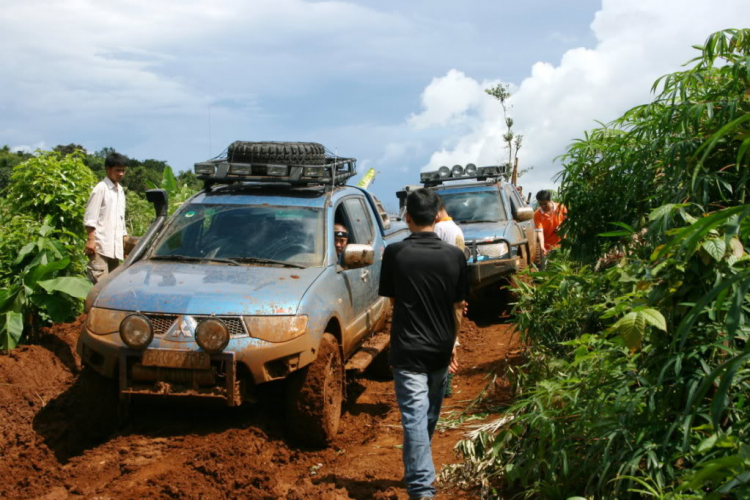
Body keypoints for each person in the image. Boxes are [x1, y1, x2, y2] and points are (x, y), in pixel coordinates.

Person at [379, 188, 468, 500]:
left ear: (407, 217)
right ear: (437, 215)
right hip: (441, 347)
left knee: (418, 417)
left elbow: (393, 301)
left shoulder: (395, 253)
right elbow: (458, 307)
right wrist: (454, 344)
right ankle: (421, 486)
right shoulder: (455, 256)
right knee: (425, 416)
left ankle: (418, 481)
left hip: (407, 348)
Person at [433, 198, 465, 398]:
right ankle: (447, 384)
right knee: (453, 335)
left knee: (444, 338)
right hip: (454, 288)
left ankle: (444, 384)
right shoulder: (456, 229)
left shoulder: (440, 230)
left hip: (442, 289)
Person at [84, 152, 128, 283]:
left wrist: (124, 244)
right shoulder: (101, 189)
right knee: (100, 285)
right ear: (108, 169)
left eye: (123, 171)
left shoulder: (120, 190)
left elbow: (121, 220)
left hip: (115, 248)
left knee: (113, 285)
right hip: (100, 245)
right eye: (118, 170)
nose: (121, 174)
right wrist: (91, 240)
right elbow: (90, 216)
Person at [533, 189, 567, 269]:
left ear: (550, 200)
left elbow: (568, 222)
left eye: (545, 204)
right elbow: (539, 232)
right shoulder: (537, 214)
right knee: (545, 269)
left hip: (561, 245)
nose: (543, 206)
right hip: (547, 247)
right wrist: (541, 246)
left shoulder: (561, 207)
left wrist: (562, 228)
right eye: (540, 204)